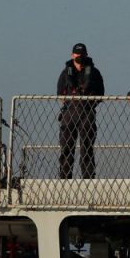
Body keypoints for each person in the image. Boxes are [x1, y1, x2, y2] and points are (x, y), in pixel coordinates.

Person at [57, 43, 105, 179]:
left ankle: (88, 179)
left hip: (87, 112)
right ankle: (65, 178)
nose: (79, 57)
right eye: (77, 55)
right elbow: (60, 93)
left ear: (86, 55)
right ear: (72, 55)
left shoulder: (94, 72)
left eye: (82, 55)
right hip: (69, 112)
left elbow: (101, 93)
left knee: (87, 148)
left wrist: (90, 102)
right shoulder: (66, 72)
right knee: (66, 147)